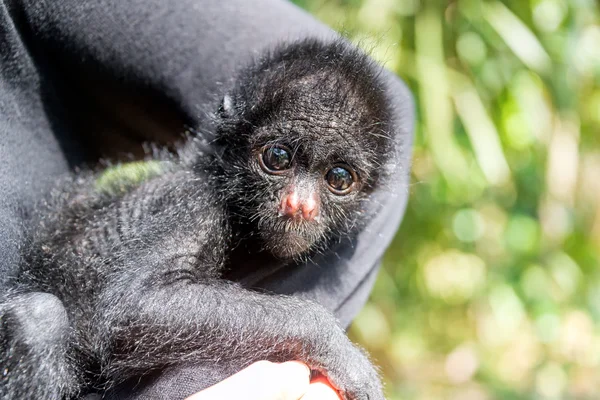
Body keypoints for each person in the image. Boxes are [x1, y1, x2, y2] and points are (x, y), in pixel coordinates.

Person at [0, 0, 413, 398]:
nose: (300, 202)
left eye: (339, 178)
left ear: (371, 185)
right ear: (231, 139)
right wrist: (308, 328)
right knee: (40, 320)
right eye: (277, 158)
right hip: (49, 344)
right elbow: (138, 310)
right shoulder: (194, 198)